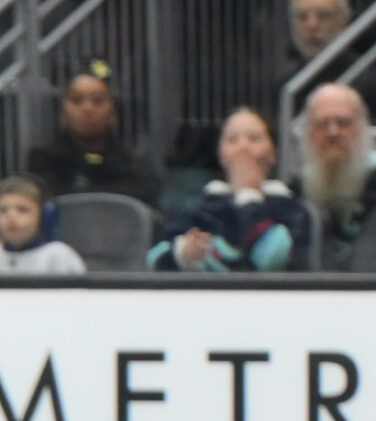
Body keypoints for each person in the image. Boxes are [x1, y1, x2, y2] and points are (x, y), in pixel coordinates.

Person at [149, 108, 308, 274]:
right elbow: (155, 258)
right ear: (221, 154)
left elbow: (267, 260)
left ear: (273, 153)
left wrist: (248, 195)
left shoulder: (290, 208)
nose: (243, 147)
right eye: (232, 140)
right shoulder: (203, 203)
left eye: (254, 139)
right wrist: (183, 254)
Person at [23, 63, 160, 204]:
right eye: (76, 100)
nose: (88, 109)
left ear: (113, 112)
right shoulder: (42, 161)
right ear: (63, 113)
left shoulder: (132, 164)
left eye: (98, 100)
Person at [288, 83, 376, 272]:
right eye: (322, 124)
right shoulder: (295, 193)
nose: (333, 132)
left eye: (343, 123)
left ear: (361, 128)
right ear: (309, 132)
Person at [0, 174, 84, 273]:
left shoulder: (58, 255)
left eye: (22, 209)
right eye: (3, 210)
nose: (11, 217)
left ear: (45, 215)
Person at [285, 0, 351, 88]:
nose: (312, 25)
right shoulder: (288, 87)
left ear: (345, 23)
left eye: (324, 15)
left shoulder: (363, 74)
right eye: (302, 16)